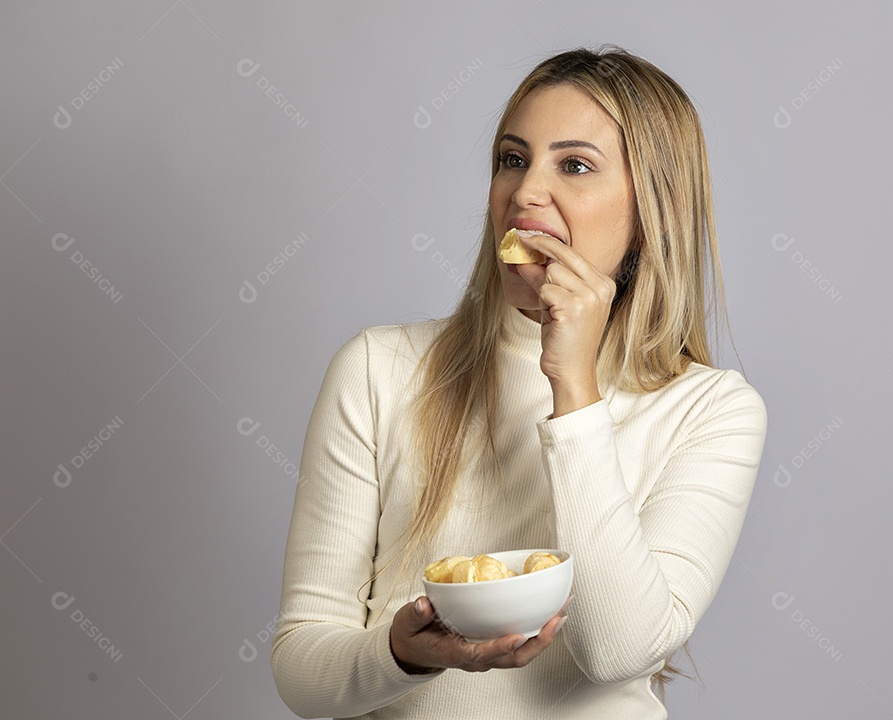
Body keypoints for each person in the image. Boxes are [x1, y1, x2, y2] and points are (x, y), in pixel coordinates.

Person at [271, 46, 767, 719]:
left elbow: (618, 651)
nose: (526, 192)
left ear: (653, 209)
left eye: (575, 165)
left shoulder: (712, 410)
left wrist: (573, 385)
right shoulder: (377, 370)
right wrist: (406, 652)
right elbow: (302, 670)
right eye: (512, 159)